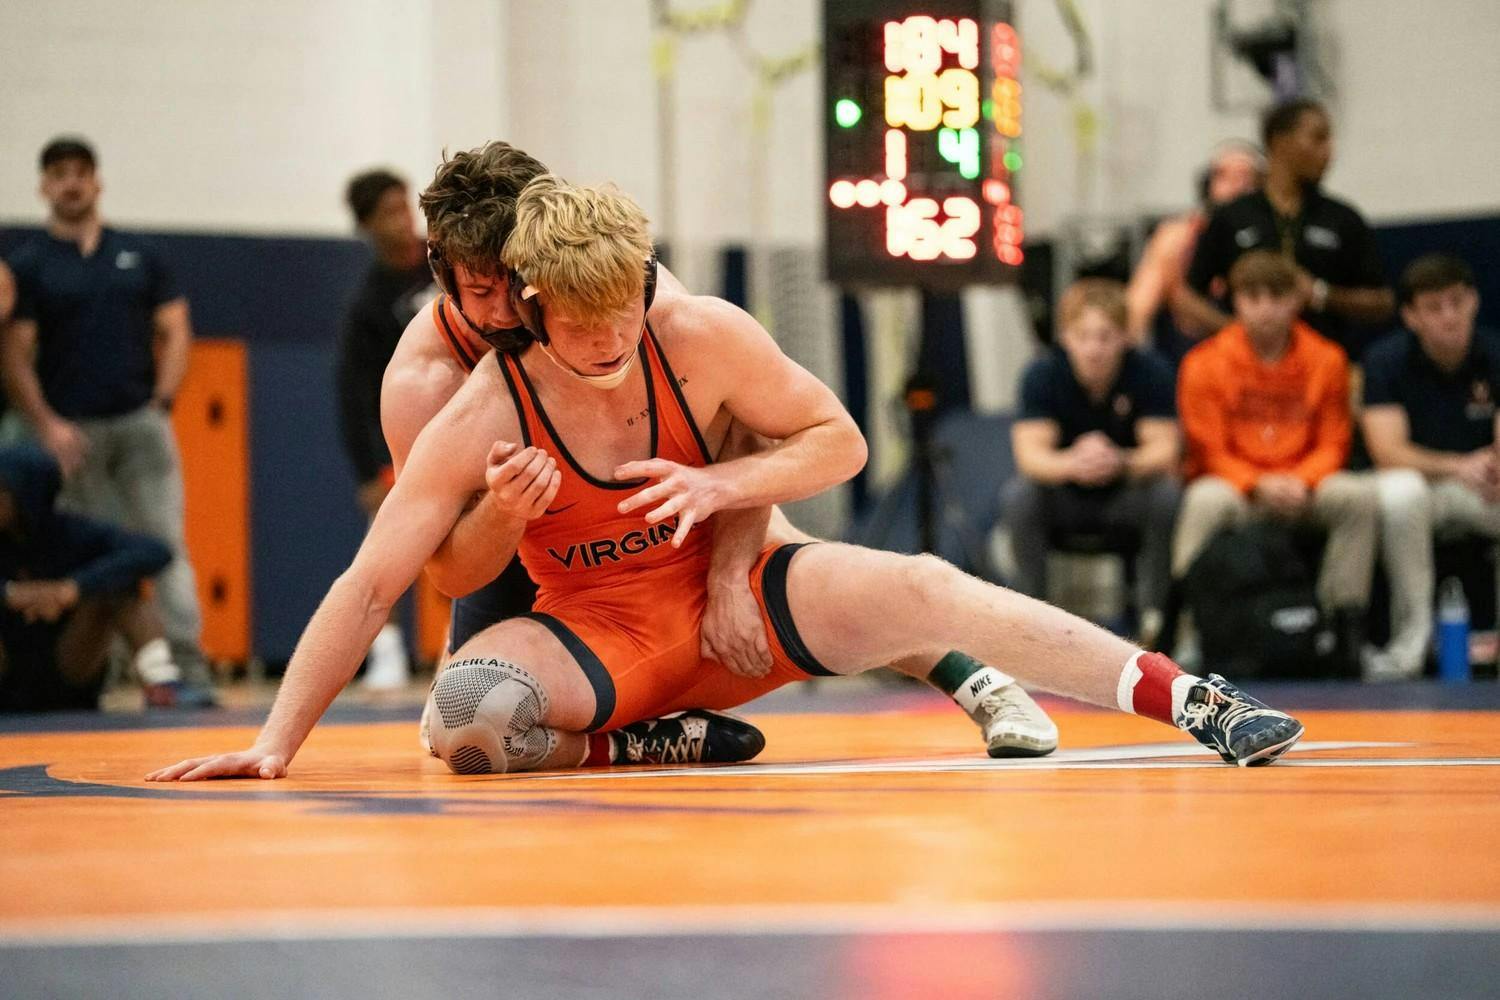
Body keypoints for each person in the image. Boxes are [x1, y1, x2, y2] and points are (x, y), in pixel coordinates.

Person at [147, 177, 1304, 783]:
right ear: (529, 300)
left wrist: (722, 501)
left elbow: (840, 439)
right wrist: (275, 741)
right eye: (585, 323)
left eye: (628, 311)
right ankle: (646, 742)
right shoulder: (468, 402)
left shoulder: (688, 325)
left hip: (738, 595)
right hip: (604, 629)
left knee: (922, 581)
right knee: (460, 719)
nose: (613, 340)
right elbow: (376, 581)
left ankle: (1193, 698)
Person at [403, 142, 1057, 759]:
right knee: (455, 729)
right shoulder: (426, 378)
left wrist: (725, 577)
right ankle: (653, 737)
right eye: (481, 292)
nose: (506, 311)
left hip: (653, 489)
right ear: (442, 276)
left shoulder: (636, 296)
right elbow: (436, 550)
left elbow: (746, 437)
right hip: (527, 536)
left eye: (514, 284)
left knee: (799, 570)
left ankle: (976, 678)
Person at [0, 137, 215, 707]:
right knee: (87, 556)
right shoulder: (30, 265)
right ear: (44, 186)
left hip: (137, 425)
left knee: (166, 544)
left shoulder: (139, 256)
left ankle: (186, 671)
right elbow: (16, 353)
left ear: (96, 181)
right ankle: (105, 673)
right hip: (69, 437)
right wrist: (45, 423)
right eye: (59, 174)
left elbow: (176, 329)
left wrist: (161, 403)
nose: (71, 183)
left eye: (80, 173)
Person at [1174, 250, 1378, 659]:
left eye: (1276, 296)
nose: (1264, 309)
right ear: (1235, 301)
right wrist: (1257, 483)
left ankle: (1337, 628)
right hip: (1240, 491)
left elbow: (1335, 441)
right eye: (1252, 297)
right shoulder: (1203, 363)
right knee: (1203, 500)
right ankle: (1188, 628)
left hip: (1305, 487)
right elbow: (1207, 448)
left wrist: (1303, 480)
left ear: (1295, 300)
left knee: (1356, 498)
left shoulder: (1327, 359)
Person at [1004, 278, 1181, 643]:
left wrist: (1121, 460)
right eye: (1083, 336)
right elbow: (1029, 456)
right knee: (1019, 496)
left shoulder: (1149, 373)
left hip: (1125, 495)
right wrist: (1073, 463)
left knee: (1167, 495)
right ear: (1066, 337)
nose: (1094, 348)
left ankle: (1155, 623)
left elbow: (1165, 449)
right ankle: (1029, 625)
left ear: (1124, 338)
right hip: (1065, 498)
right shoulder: (1043, 375)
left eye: (1105, 337)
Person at [1363, 254, 1500, 680]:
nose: (1449, 316)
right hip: (1421, 488)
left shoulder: (1494, 353)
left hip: (1480, 489)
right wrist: (1459, 465)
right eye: (1434, 307)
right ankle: (1412, 642)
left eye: (1457, 302)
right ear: (1411, 315)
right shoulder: (1385, 361)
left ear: (1474, 301)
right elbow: (1387, 450)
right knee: (1404, 493)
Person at [1180, 99, 1394, 360]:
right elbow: (1187, 296)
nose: (1329, 151)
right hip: (1245, 372)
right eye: (1318, 138)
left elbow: (1382, 302)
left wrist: (1321, 294)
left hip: (1322, 370)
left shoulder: (1342, 218)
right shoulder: (1232, 216)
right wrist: (1237, 330)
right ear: (1280, 142)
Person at [335, 168, 436, 689]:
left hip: (473, 415)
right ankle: (388, 649)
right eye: (390, 212)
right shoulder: (369, 301)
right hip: (410, 439)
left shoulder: (446, 262)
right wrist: (371, 469)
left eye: (406, 206)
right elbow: (356, 393)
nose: (404, 220)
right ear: (368, 225)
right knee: (393, 546)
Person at [0, 444, 179, 711]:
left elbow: (155, 551)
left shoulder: (72, 532)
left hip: (71, 664)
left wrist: (73, 589)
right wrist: (9, 594)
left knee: (122, 586)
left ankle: (161, 683)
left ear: (27, 494)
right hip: (7, 667)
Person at [1125, 141, 1263, 363]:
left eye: (1246, 177)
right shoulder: (1179, 237)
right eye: (1224, 176)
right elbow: (1137, 311)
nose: (1236, 186)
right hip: (1187, 354)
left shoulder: (1269, 238)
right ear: (1207, 184)